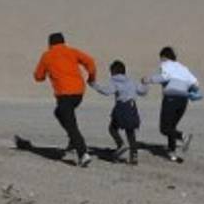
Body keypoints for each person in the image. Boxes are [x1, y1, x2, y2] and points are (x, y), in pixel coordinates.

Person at [33, 32, 97, 167]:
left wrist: (44, 74)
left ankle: (83, 153)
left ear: (50, 43)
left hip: (64, 94)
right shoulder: (72, 52)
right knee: (60, 114)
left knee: (71, 123)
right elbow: (90, 61)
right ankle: (73, 140)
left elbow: (38, 76)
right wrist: (91, 77)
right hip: (79, 92)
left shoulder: (47, 55)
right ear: (63, 42)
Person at [142, 46, 199, 162]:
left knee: (164, 129)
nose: (160, 61)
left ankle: (184, 136)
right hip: (183, 100)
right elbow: (196, 83)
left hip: (171, 98)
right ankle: (172, 154)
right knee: (171, 128)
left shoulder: (166, 64)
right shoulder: (184, 68)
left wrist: (149, 80)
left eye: (161, 58)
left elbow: (165, 77)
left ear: (164, 57)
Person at [92, 60, 148, 165]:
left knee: (112, 128)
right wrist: (144, 84)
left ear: (113, 71)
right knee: (131, 132)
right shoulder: (131, 81)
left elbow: (107, 91)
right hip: (132, 107)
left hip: (121, 107)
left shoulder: (114, 81)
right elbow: (142, 92)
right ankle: (134, 156)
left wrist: (95, 85)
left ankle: (121, 144)